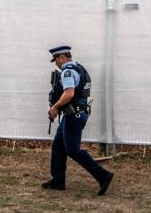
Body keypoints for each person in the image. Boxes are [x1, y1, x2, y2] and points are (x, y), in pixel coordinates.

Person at [43, 45, 114, 196]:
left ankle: (103, 175)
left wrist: (55, 107)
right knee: (58, 146)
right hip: (75, 114)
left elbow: (69, 93)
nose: (56, 63)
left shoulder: (67, 72)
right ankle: (57, 180)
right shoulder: (79, 68)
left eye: (56, 59)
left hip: (73, 116)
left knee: (73, 150)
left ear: (62, 56)